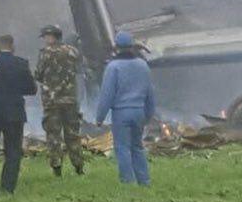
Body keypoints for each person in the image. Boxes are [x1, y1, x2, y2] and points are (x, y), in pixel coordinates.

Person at [0, 35, 36, 194]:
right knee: (13, 152)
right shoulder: (21, 64)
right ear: (12, 46)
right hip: (14, 113)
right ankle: (7, 188)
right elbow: (32, 89)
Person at [94, 32, 155, 186]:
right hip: (139, 111)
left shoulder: (113, 67)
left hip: (121, 113)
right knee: (137, 146)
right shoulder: (142, 65)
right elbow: (150, 92)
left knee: (122, 147)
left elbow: (107, 94)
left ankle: (128, 182)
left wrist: (100, 117)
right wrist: (149, 114)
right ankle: (144, 180)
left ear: (117, 48)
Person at [35, 24, 85, 177]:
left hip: (52, 101)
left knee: (53, 135)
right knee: (73, 134)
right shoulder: (72, 52)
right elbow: (79, 70)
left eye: (45, 37)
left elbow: (38, 75)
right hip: (70, 99)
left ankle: (57, 168)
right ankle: (78, 167)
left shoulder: (45, 54)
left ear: (51, 37)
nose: (44, 40)